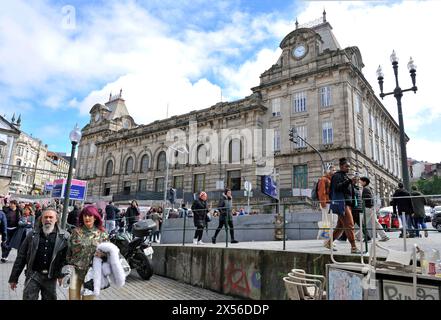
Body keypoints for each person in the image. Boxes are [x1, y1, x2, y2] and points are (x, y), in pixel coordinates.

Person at [8, 208, 70, 300]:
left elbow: (66, 258)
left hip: (51, 277)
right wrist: (14, 278)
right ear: (41, 219)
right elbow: (21, 257)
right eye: (45, 217)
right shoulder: (32, 234)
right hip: (33, 275)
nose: (48, 219)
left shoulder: (64, 237)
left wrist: (62, 275)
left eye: (51, 217)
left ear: (56, 219)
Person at [66, 205, 109, 300]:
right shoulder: (75, 232)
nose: (87, 218)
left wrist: (103, 255)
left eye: (90, 215)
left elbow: (109, 254)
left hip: (92, 274)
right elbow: (68, 251)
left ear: (95, 217)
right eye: (85, 215)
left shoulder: (102, 234)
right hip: (76, 272)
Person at [325, 158, 361, 254]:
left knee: (340, 227)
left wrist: (352, 183)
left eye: (349, 166)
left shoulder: (345, 176)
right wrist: (349, 181)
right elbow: (337, 187)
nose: (348, 168)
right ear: (341, 166)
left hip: (347, 204)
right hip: (342, 204)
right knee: (350, 225)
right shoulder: (337, 176)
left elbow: (347, 189)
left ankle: (329, 242)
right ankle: (353, 247)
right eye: (346, 166)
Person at [360, 176, 389, 242]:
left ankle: (365, 237)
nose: (360, 182)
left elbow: (368, 198)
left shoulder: (365, 189)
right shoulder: (368, 188)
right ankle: (384, 236)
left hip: (368, 208)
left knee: (362, 223)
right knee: (376, 223)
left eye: (361, 181)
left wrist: (363, 202)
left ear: (364, 182)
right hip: (371, 208)